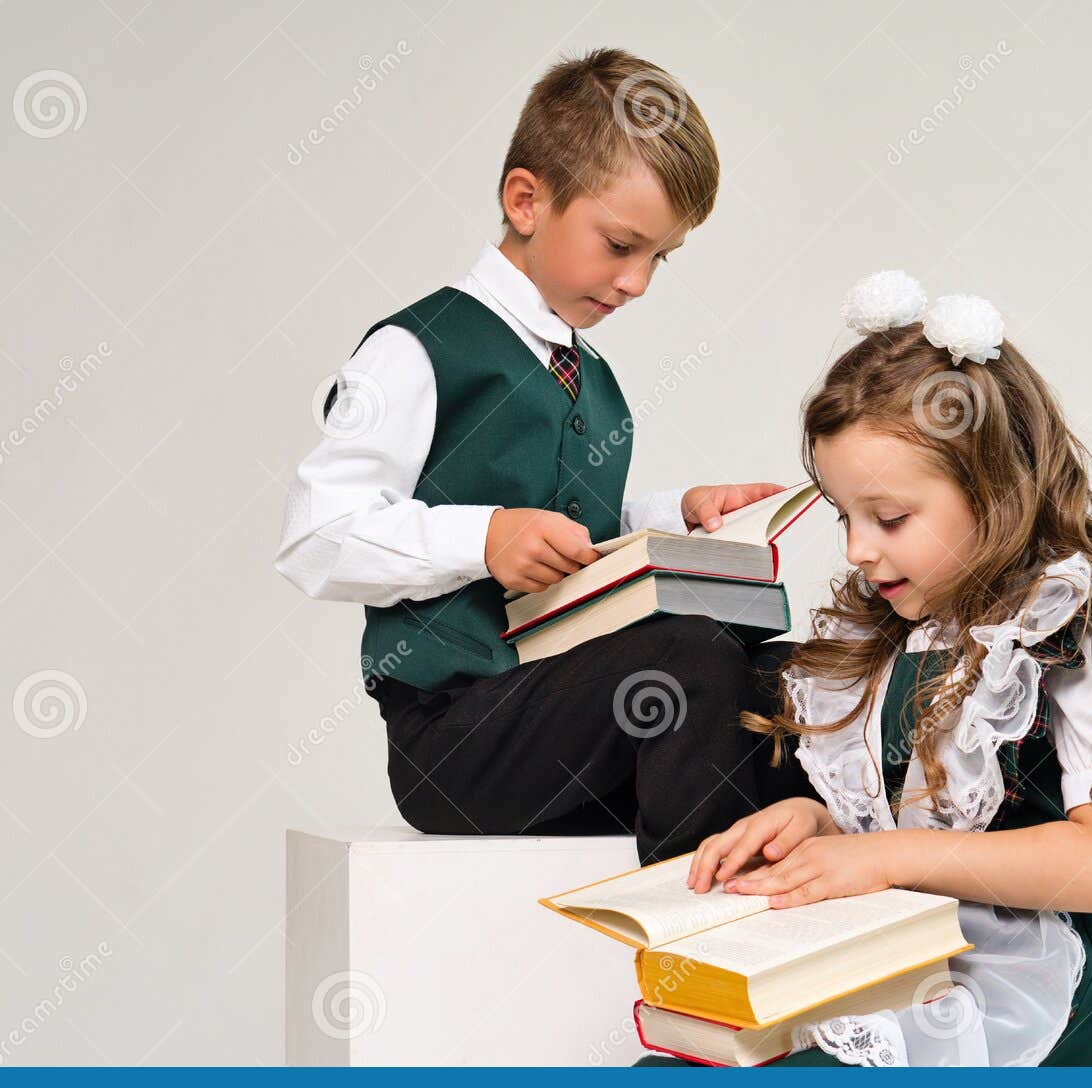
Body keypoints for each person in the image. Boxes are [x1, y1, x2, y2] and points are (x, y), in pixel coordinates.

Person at [640, 270, 1092, 1066]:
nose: (857, 548)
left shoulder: (1079, 627)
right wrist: (823, 828)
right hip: (903, 948)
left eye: (888, 517)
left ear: (996, 488)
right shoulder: (902, 632)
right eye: (845, 515)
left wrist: (883, 858)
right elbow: (910, 822)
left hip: (1022, 977)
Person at [274, 49, 797, 862]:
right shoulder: (421, 348)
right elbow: (316, 535)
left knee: (782, 678)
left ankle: (796, 918)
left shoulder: (590, 375)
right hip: (457, 735)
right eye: (621, 244)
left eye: (659, 258)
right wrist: (481, 539)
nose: (637, 283)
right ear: (527, 200)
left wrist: (673, 516)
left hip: (574, 712)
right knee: (689, 660)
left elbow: (567, 523)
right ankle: (693, 946)